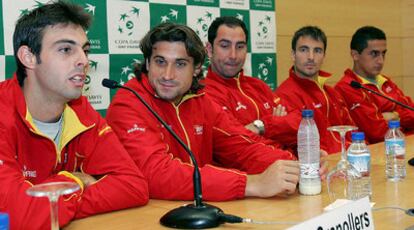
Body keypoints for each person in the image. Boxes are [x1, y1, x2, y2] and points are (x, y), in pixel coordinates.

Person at [106, 22, 320, 202]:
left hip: (193, 207)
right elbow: (157, 175)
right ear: (147, 63)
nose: (168, 75)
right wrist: (251, 184)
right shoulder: (128, 102)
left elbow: (242, 145)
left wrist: (295, 167)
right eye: (160, 62)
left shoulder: (200, 100)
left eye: (180, 64)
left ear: (197, 68)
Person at [0, 2, 148, 229]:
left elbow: (133, 186)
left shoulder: (81, 111)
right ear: (28, 57)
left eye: (85, 50)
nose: (84, 61)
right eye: (66, 49)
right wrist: (76, 180)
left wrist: (49, 205)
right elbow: (18, 218)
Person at [202, 16, 297, 148]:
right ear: (209, 49)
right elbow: (235, 145)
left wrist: (260, 126)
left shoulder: (258, 86)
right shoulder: (204, 94)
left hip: (285, 162)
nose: (233, 55)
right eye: (225, 46)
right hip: (259, 166)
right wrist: (278, 126)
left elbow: (299, 121)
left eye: (240, 46)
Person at [275, 26, 356, 154]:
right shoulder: (284, 96)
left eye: (317, 51)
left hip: (347, 160)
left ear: (324, 56)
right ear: (293, 55)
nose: (311, 57)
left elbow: (352, 131)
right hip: (319, 165)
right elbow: (294, 146)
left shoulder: (332, 93)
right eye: (304, 50)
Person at [335, 26, 414, 144]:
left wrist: (394, 115)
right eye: (374, 54)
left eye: (383, 54)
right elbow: (377, 132)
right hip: (381, 153)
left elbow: (411, 110)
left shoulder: (385, 81)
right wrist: (403, 121)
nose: (381, 61)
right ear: (355, 55)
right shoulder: (347, 87)